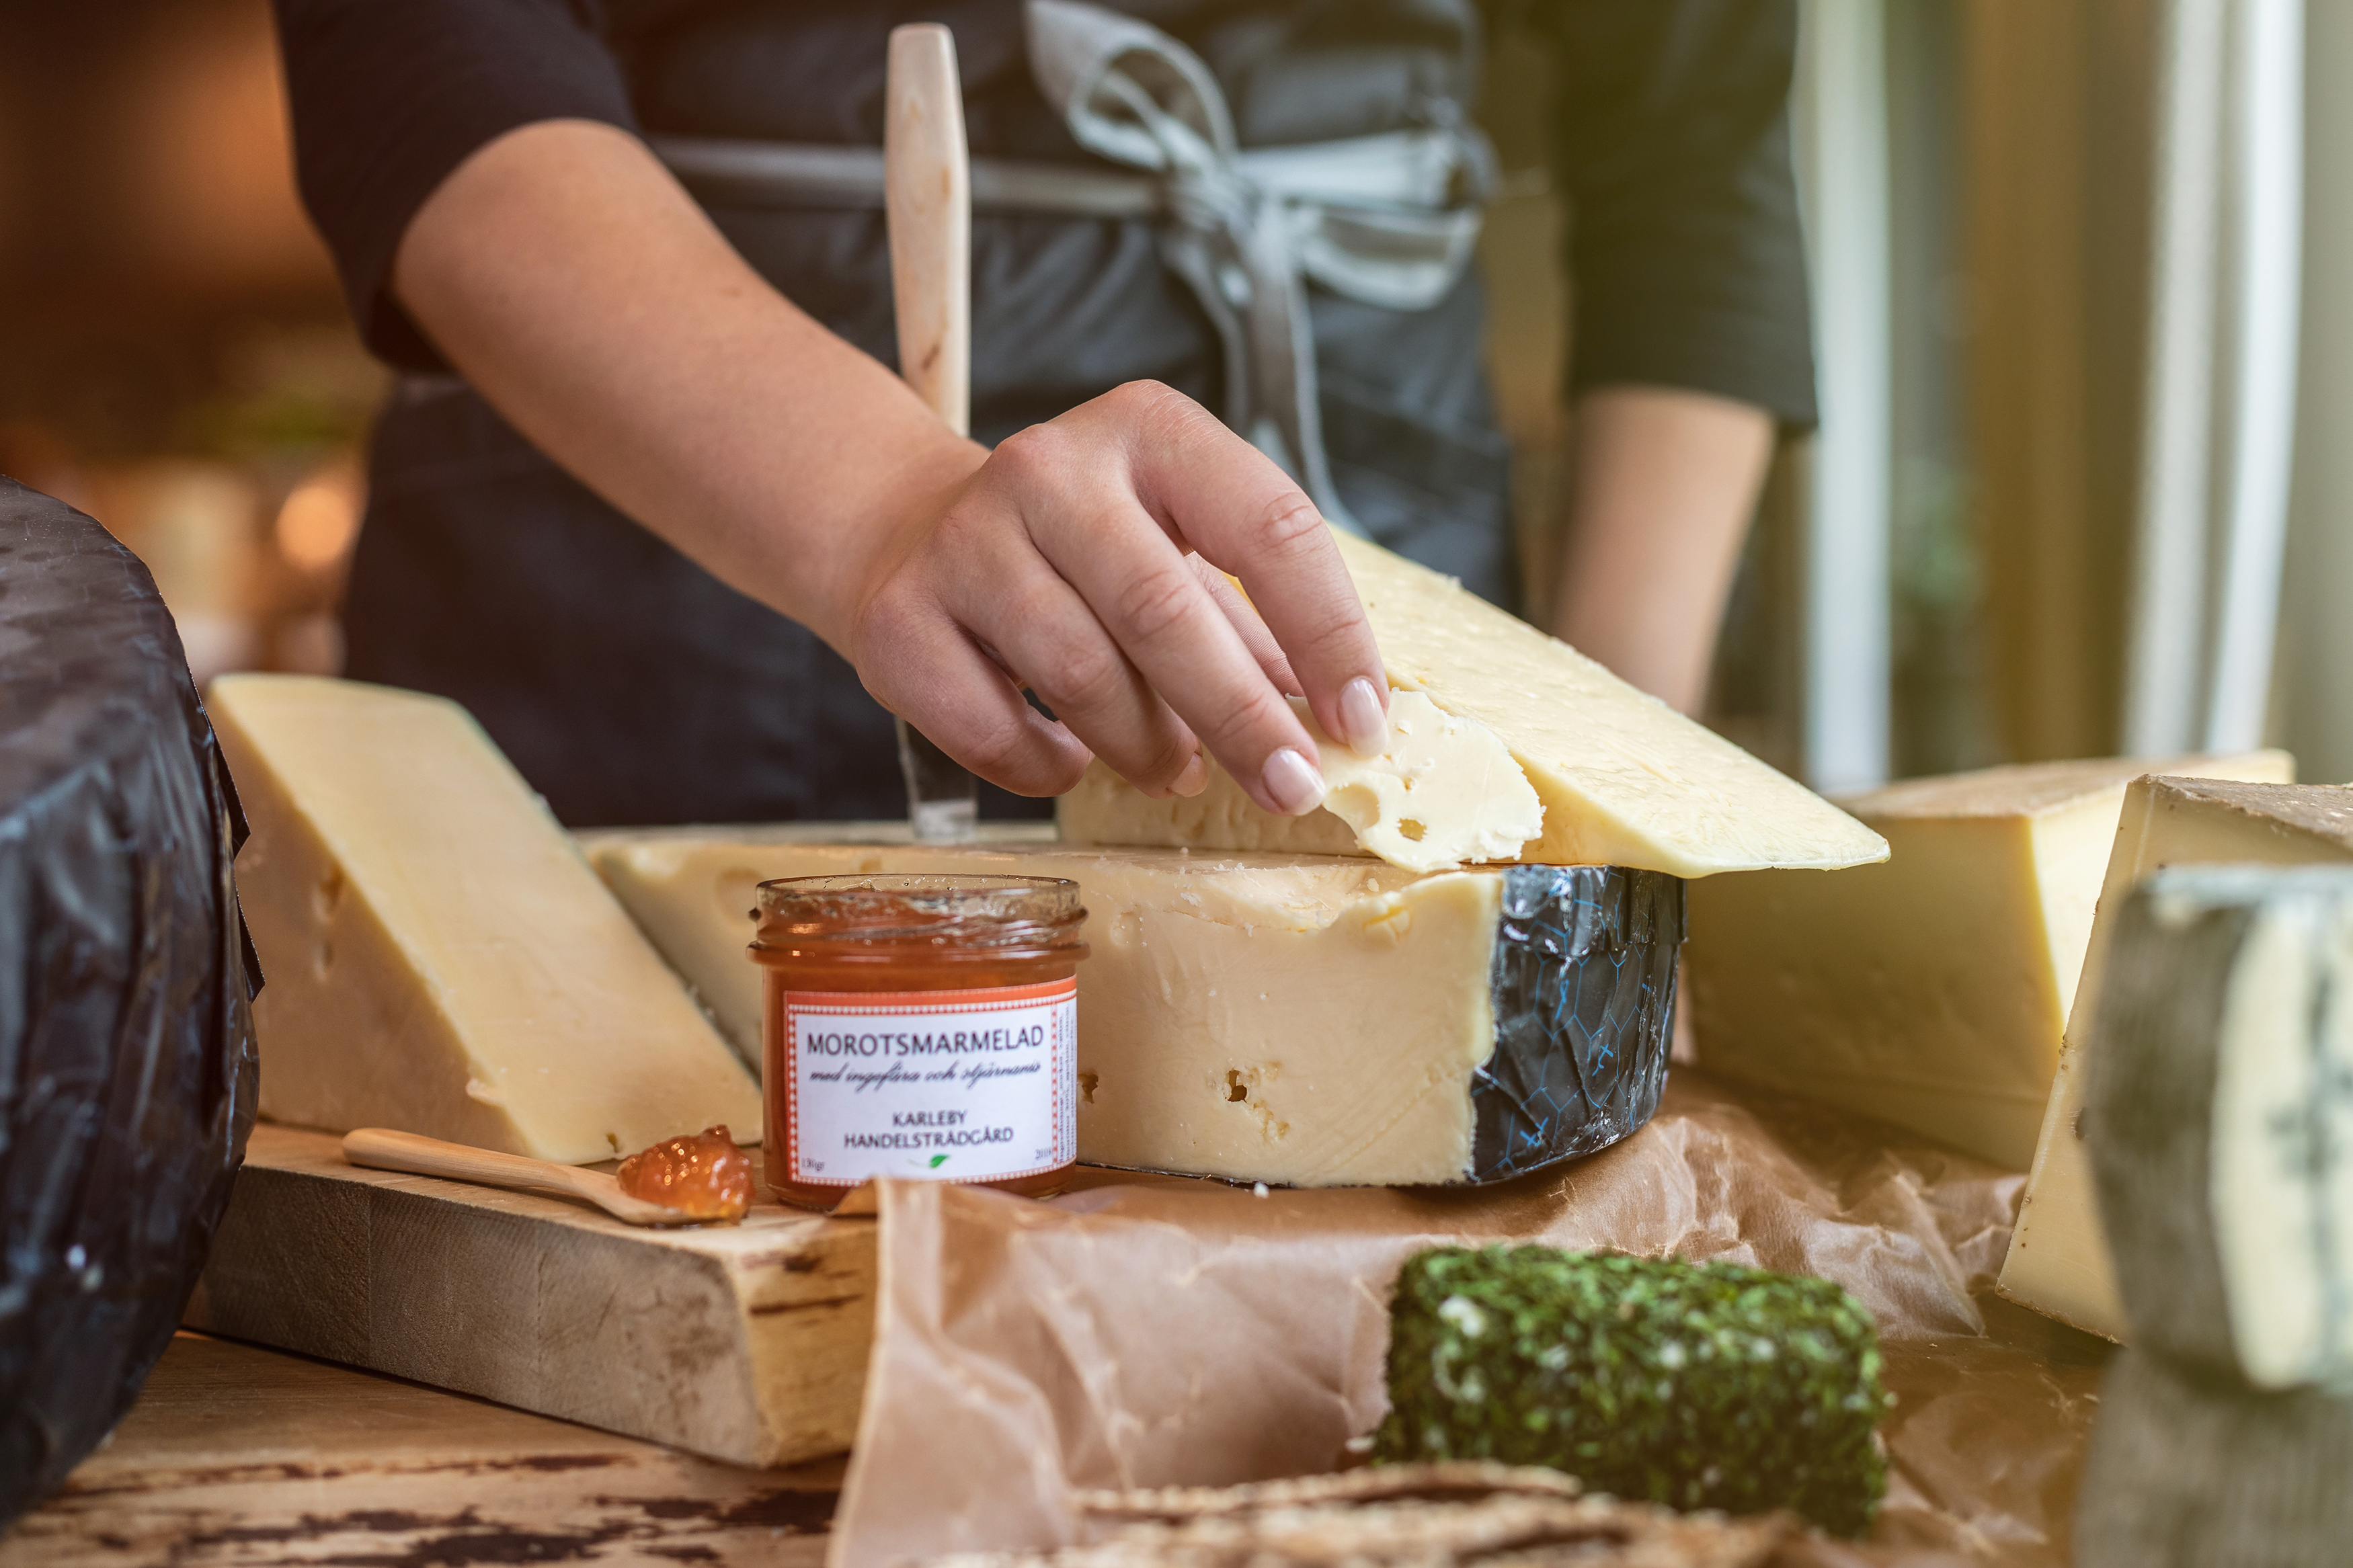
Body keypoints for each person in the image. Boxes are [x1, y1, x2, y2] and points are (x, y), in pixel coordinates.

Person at [272, 0, 1812, 829]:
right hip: (674, 524)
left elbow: (1691, 141)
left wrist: (1620, 817)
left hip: (1381, 529)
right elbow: (424, 62)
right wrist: (882, 506)